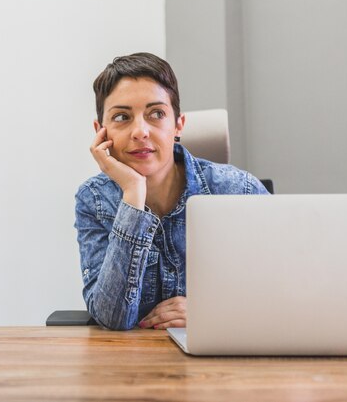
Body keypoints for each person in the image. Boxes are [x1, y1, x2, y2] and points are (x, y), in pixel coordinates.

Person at [74, 52, 269, 331]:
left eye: (156, 114)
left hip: (222, 361)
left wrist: (211, 313)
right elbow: (111, 317)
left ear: (178, 125)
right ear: (101, 131)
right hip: (133, 367)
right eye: (121, 116)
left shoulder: (240, 190)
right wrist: (133, 194)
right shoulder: (94, 199)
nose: (140, 131)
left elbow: (285, 292)